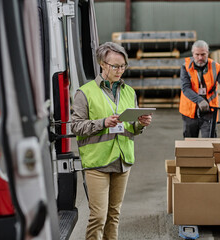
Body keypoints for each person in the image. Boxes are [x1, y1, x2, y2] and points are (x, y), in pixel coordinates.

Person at [71, 42, 152, 240]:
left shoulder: (129, 92)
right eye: (115, 66)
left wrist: (141, 124)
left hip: (122, 160)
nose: (120, 70)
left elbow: (132, 128)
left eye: (123, 66)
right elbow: (76, 126)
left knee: (114, 215)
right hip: (98, 162)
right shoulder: (85, 92)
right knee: (98, 216)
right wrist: (102, 123)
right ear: (102, 64)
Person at [179, 40, 220, 138]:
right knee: (190, 145)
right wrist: (199, 100)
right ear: (192, 54)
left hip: (209, 112)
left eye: (203, 54)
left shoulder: (215, 67)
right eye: (197, 54)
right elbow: (185, 88)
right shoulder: (185, 67)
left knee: (209, 143)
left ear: (208, 53)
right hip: (190, 112)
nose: (200, 58)